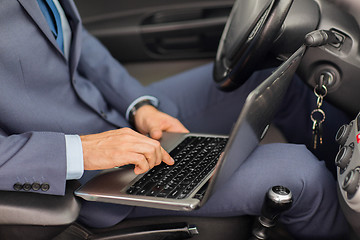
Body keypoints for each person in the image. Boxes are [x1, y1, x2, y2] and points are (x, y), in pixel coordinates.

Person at [0, 0, 352, 239]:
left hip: (117, 116)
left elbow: (77, 42)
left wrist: (140, 106)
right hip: (78, 176)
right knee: (300, 174)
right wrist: (79, 151)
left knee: (278, 79)